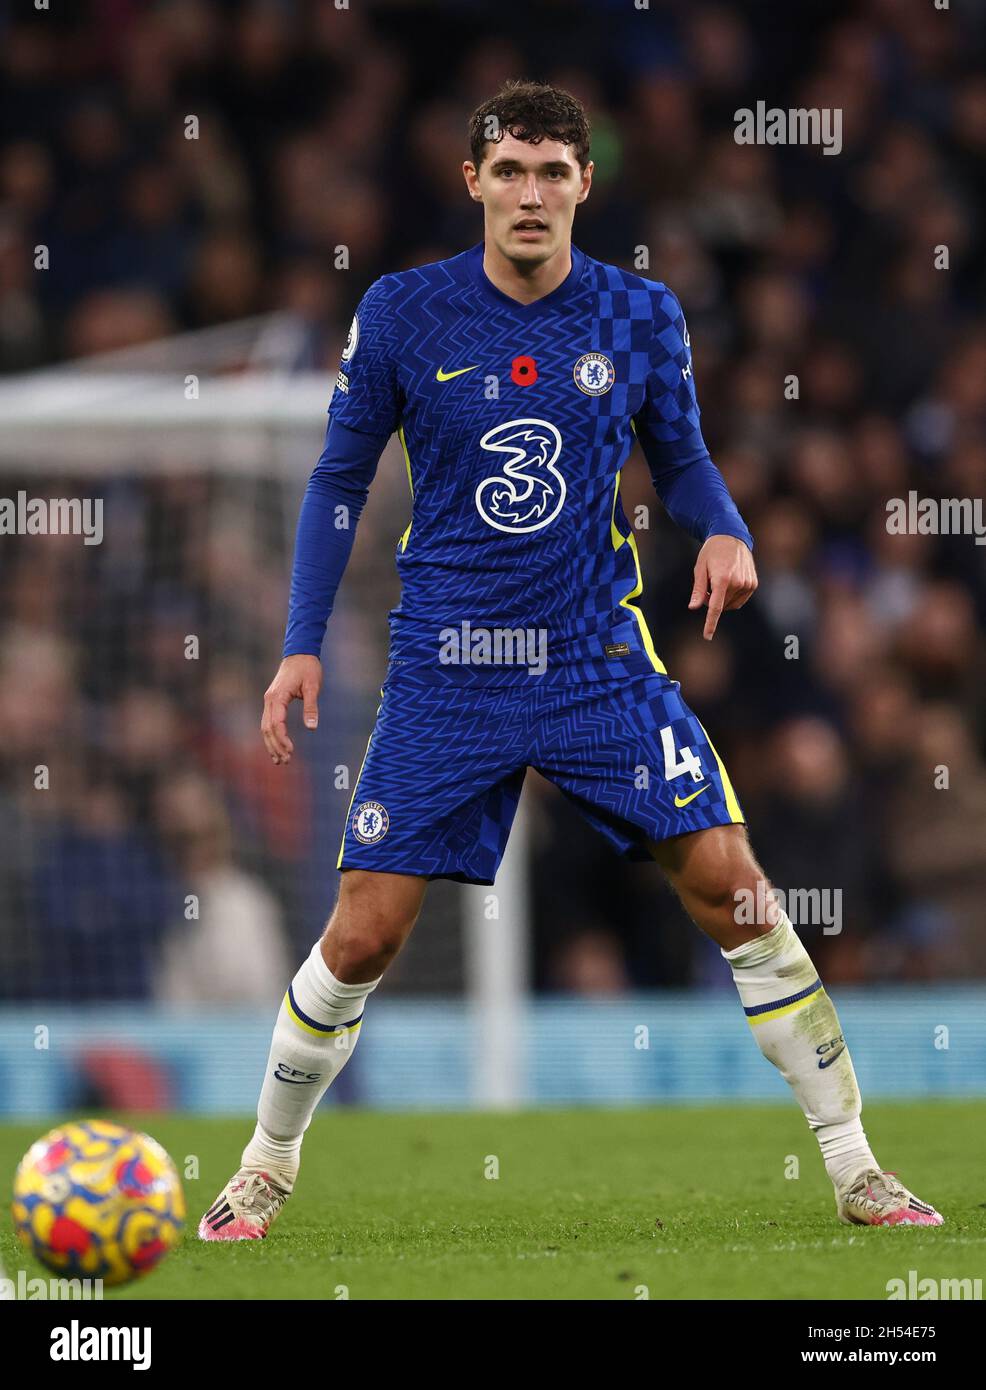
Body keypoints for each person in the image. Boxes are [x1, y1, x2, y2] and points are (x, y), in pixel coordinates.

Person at [199, 81, 940, 1240]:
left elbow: (682, 461)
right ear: (472, 183)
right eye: (509, 171)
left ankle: (853, 1167)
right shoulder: (400, 313)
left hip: (595, 659)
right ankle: (263, 1167)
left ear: (585, 183)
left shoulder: (640, 314)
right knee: (361, 934)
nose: (530, 194)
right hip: (445, 670)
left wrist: (728, 528)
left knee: (736, 891)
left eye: (553, 171)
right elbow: (338, 483)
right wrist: (299, 642)